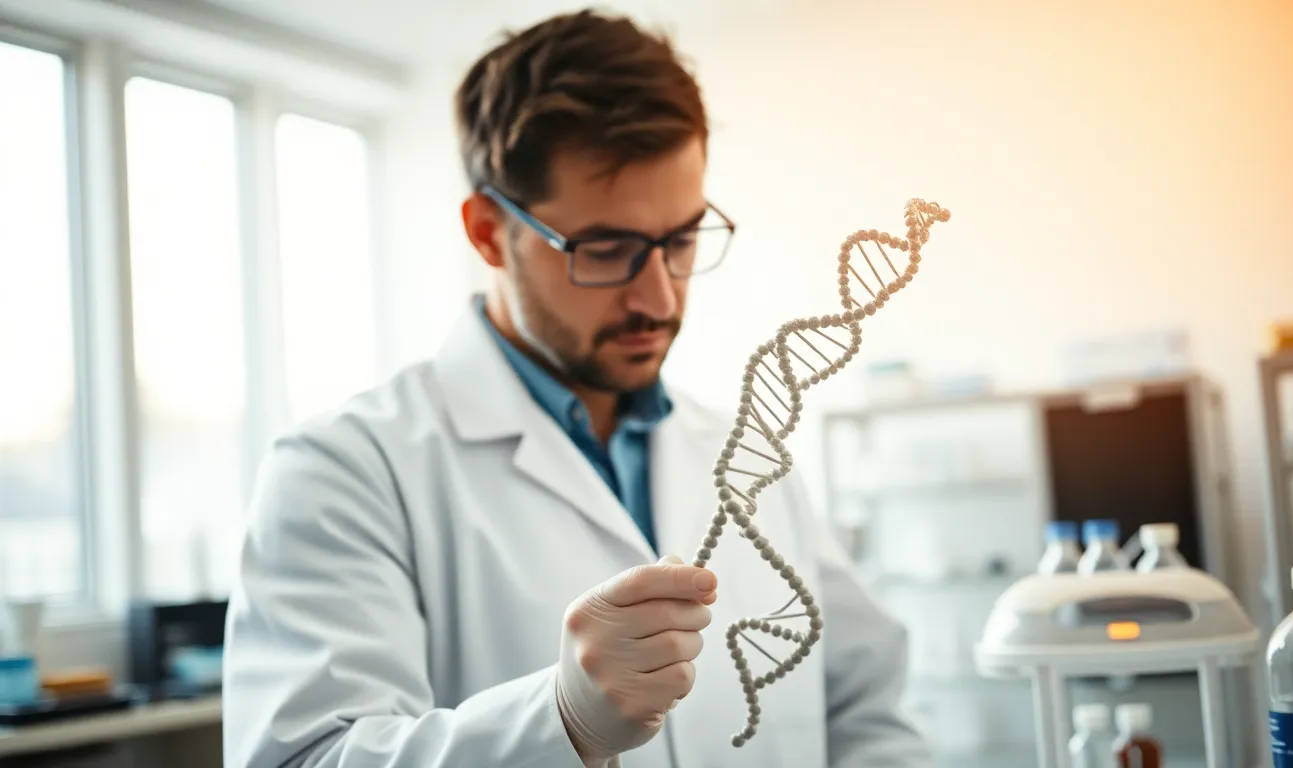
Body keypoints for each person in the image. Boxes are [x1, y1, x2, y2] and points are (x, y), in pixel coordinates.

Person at [221, 8, 929, 768]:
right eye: (607, 249)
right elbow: (302, 759)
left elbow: (869, 716)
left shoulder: (749, 458)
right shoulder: (344, 472)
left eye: (681, 240)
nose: (659, 296)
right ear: (488, 232)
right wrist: (559, 723)